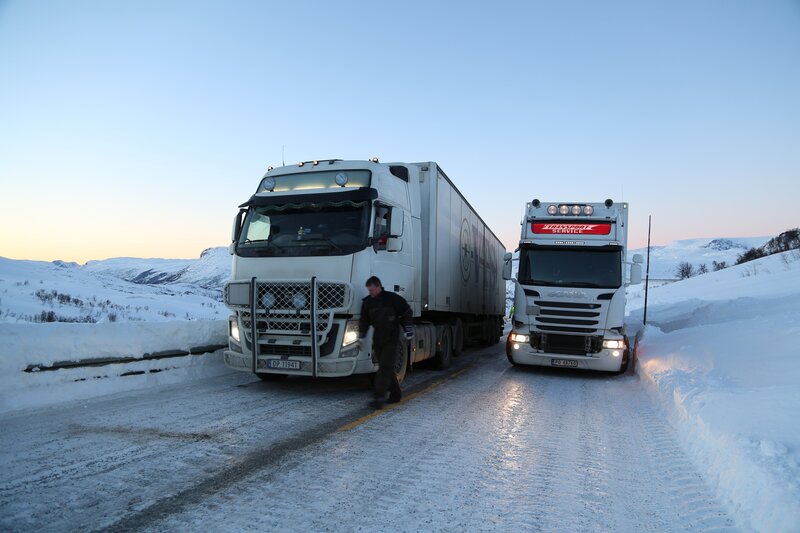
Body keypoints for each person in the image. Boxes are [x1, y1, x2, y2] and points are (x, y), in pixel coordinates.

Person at [358, 276, 413, 409]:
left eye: (371, 290)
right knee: (385, 367)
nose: (370, 292)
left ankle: (378, 397)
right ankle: (395, 395)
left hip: (391, 337)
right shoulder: (367, 303)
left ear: (378, 287)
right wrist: (361, 337)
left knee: (384, 368)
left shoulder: (391, 299)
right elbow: (364, 321)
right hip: (378, 338)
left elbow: (407, 311)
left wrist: (408, 329)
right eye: (368, 290)